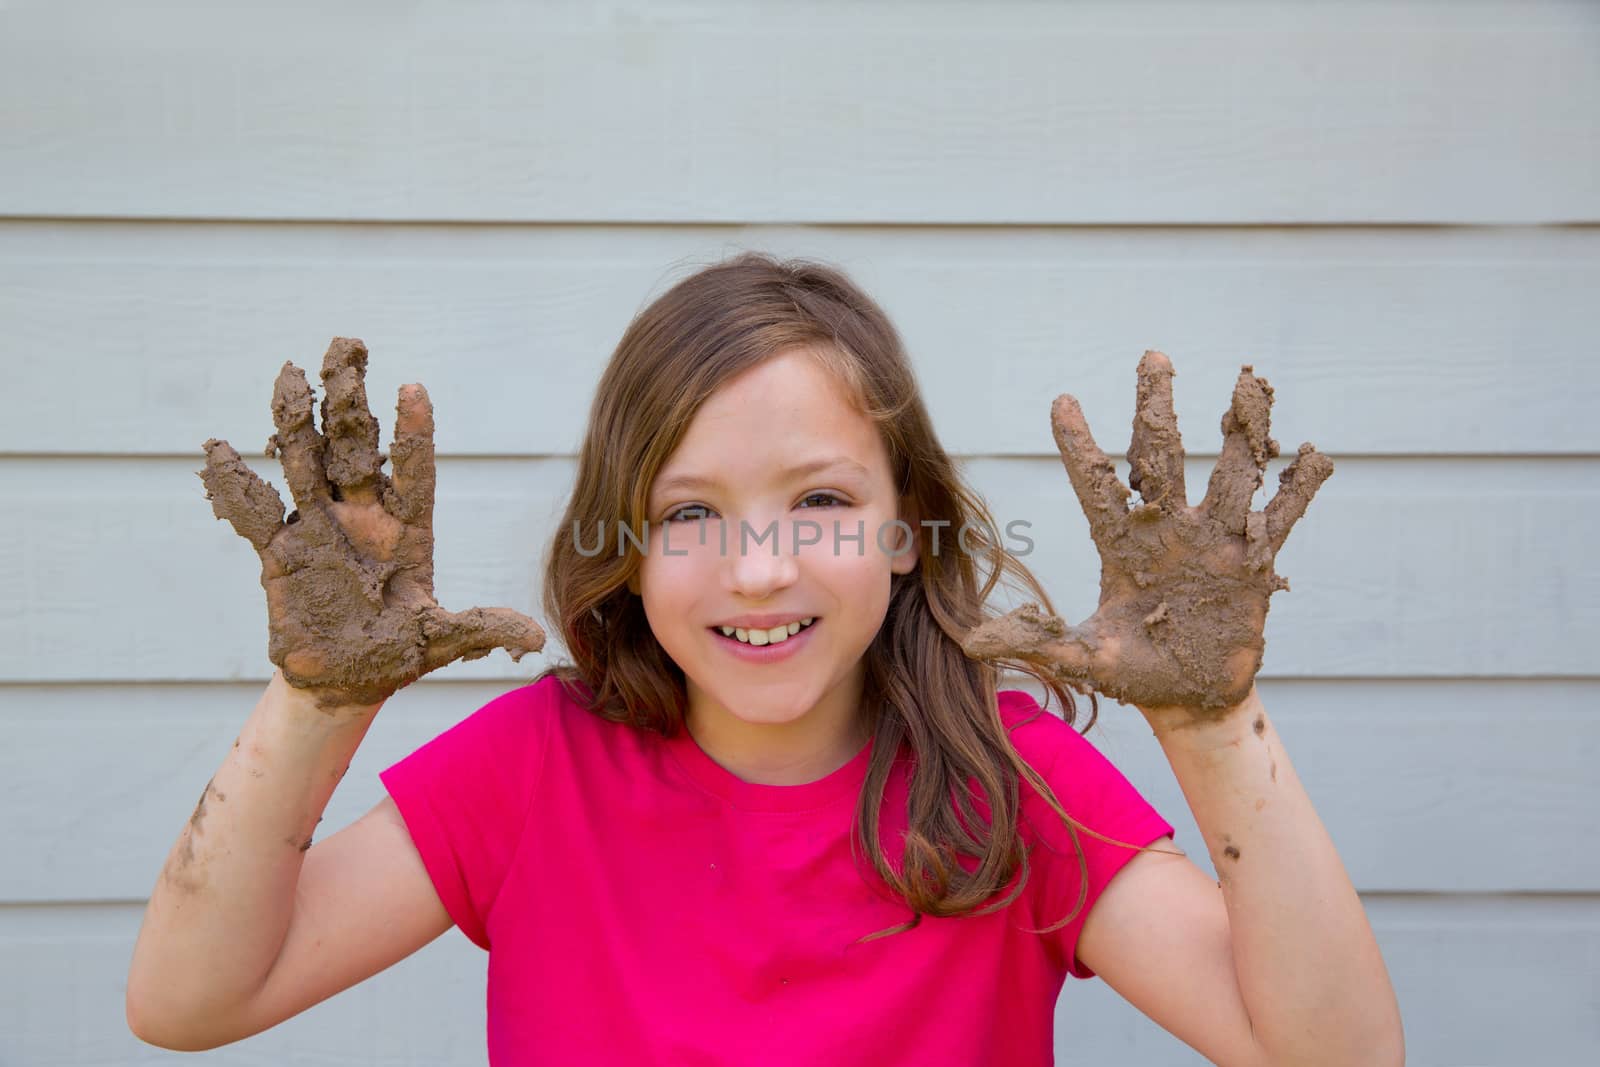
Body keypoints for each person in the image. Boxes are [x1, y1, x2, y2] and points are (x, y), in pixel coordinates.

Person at [126, 252, 1404, 1065]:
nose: (756, 566)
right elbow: (187, 1001)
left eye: (820, 499)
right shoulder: (532, 769)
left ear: (908, 527)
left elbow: (1336, 1055)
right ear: (624, 547)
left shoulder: (1008, 779)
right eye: (690, 512)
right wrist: (316, 694)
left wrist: (1214, 723)